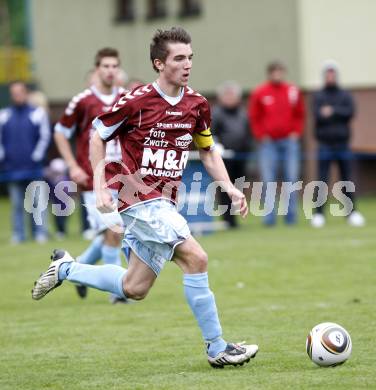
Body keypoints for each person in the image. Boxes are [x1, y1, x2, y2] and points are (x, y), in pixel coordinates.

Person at [32, 27, 258, 368]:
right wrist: (99, 180)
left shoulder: (197, 104)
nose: (187, 65)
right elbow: (97, 134)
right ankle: (218, 348)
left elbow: (208, 151)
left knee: (134, 287)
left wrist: (228, 186)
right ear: (159, 63)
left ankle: (66, 268)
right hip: (136, 196)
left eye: (190, 57)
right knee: (196, 258)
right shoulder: (136, 101)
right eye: (179, 58)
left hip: (164, 201)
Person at [53, 48, 127, 303]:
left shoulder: (127, 98)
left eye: (114, 66)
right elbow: (60, 132)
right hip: (94, 180)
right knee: (114, 230)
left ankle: (76, 269)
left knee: (116, 231)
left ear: (118, 70)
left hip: (124, 177)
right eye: (105, 66)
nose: (110, 70)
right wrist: (72, 166)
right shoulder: (83, 100)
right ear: (97, 69)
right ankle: (116, 292)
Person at [249, 61, 305, 226]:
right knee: (268, 180)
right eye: (274, 72)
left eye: (280, 72)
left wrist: (296, 133)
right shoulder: (260, 93)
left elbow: (300, 114)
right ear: (269, 74)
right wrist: (261, 135)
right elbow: (254, 117)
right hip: (268, 144)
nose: (277, 75)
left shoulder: (292, 91)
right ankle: (269, 218)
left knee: (292, 178)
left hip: (289, 141)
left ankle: (290, 217)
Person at [311, 60, 365, 228]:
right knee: (322, 180)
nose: (330, 77)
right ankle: (318, 215)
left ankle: (351, 213)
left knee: (347, 179)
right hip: (324, 144)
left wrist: (332, 111)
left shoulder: (345, 95)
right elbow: (318, 115)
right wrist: (333, 113)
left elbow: (349, 112)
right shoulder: (318, 96)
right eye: (327, 74)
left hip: (343, 143)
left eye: (332, 74)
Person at [0, 81, 50, 243]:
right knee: (16, 204)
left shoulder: (38, 113)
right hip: (12, 168)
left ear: (26, 93)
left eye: (20, 92)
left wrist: (36, 156)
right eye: (14, 93)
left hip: (33, 168)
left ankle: (40, 233)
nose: (17, 96)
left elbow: (45, 136)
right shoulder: (4, 115)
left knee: (37, 203)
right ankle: (18, 235)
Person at [212, 80, 251, 228]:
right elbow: (212, 134)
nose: (230, 98)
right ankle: (227, 219)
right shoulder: (217, 113)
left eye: (232, 95)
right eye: (227, 95)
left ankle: (235, 218)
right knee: (225, 189)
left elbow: (248, 133)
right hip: (224, 159)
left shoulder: (242, 113)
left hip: (241, 157)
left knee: (239, 187)